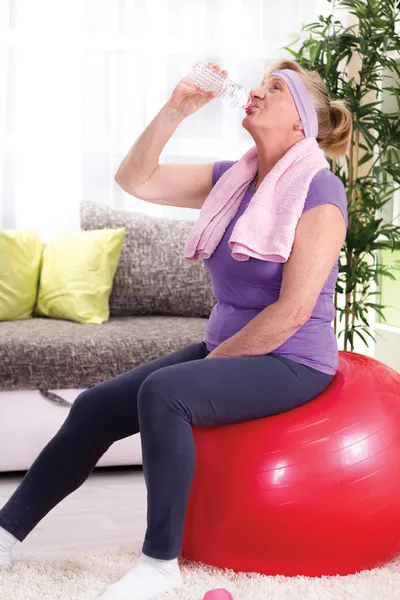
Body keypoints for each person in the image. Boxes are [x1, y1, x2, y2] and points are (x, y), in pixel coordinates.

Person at [0, 59, 352, 599]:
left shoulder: (319, 191)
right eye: (260, 82)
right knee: (96, 406)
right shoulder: (235, 180)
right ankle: (5, 532)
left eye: (275, 89)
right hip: (231, 347)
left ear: (301, 123)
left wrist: (203, 375)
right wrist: (176, 110)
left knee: (166, 392)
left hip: (292, 360)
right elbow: (134, 179)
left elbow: (293, 311)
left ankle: (160, 563)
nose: (255, 92)